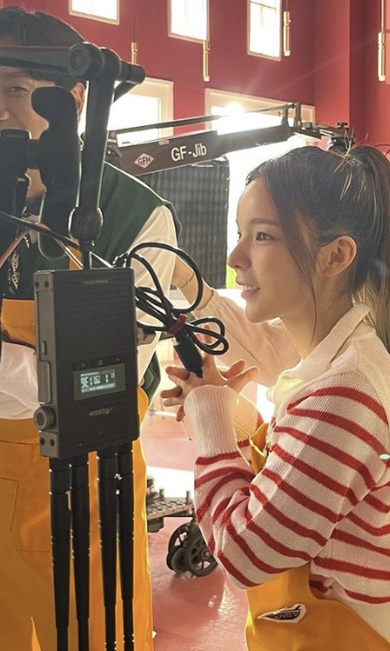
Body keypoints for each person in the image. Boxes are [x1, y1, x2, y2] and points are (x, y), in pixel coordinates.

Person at [170, 162, 390, 651]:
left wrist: (213, 424)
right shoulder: (348, 363)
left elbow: (243, 553)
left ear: (335, 255)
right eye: (241, 234)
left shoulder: (345, 391)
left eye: (263, 236)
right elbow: (300, 468)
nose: (235, 256)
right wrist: (223, 410)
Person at [0, 7, 177, 650]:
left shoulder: (134, 217)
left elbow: (99, 380)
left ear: (75, 98)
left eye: (17, 87)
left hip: (85, 491)